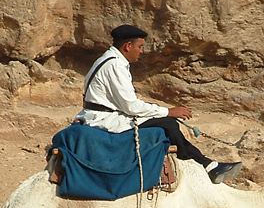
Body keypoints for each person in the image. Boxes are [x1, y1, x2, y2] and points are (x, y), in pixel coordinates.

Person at [73, 24, 242, 184]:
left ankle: (206, 164)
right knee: (168, 123)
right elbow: (130, 107)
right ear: (127, 46)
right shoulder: (115, 65)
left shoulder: (108, 60)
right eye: (139, 47)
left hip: (107, 114)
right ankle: (203, 165)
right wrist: (168, 111)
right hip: (105, 119)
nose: (141, 51)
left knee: (165, 121)